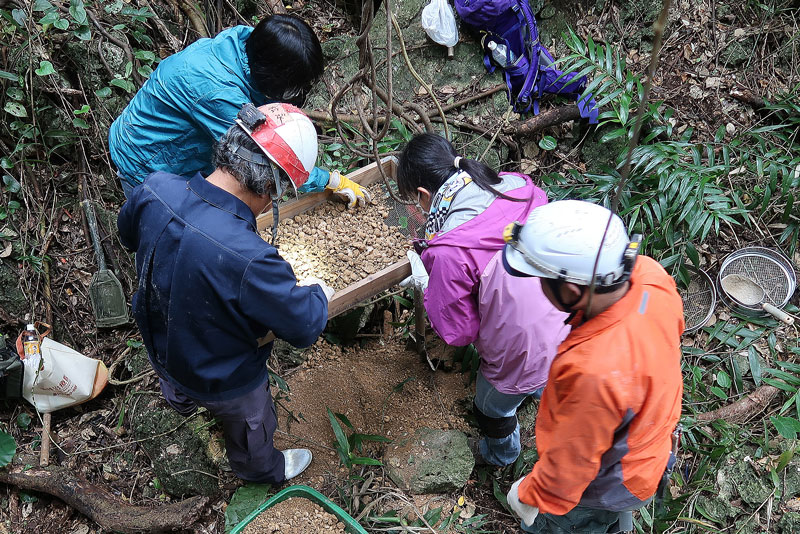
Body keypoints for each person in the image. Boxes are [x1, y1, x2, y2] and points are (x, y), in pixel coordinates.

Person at [117, 102, 334, 485]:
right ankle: (261, 468)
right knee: (251, 419)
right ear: (271, 186)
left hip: (161, 340)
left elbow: (127, 235)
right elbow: (303, 327)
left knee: (177, 381)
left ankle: (181, 400)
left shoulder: (155, 188)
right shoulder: (251, 259)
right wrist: (320, 293)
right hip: (224, 375)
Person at [501, 200, 684, 533]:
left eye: (541, 278)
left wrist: (530, 495)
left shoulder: (594, 371)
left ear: (571, 290)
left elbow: (570, 470)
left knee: (573, 522)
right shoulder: (650, 276)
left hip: (608, 484)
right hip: (651, 444)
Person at [396, 133, 570, 467]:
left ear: (423, 195)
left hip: (522, 348)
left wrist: (429, 284)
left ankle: (501, 456)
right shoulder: (516, 186)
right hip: (567, 315)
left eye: (416, 202)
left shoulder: (449, 250)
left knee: (491, 408)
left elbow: (458, 331)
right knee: (547, 371)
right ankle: (541, 391)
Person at [109, 14, 370, 208]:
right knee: (172, 235)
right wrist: (328, 180)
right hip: (145, 160)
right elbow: (268, 156)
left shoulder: (248, 42)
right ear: (270, 75)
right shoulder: (218, 93)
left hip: (174, 144)